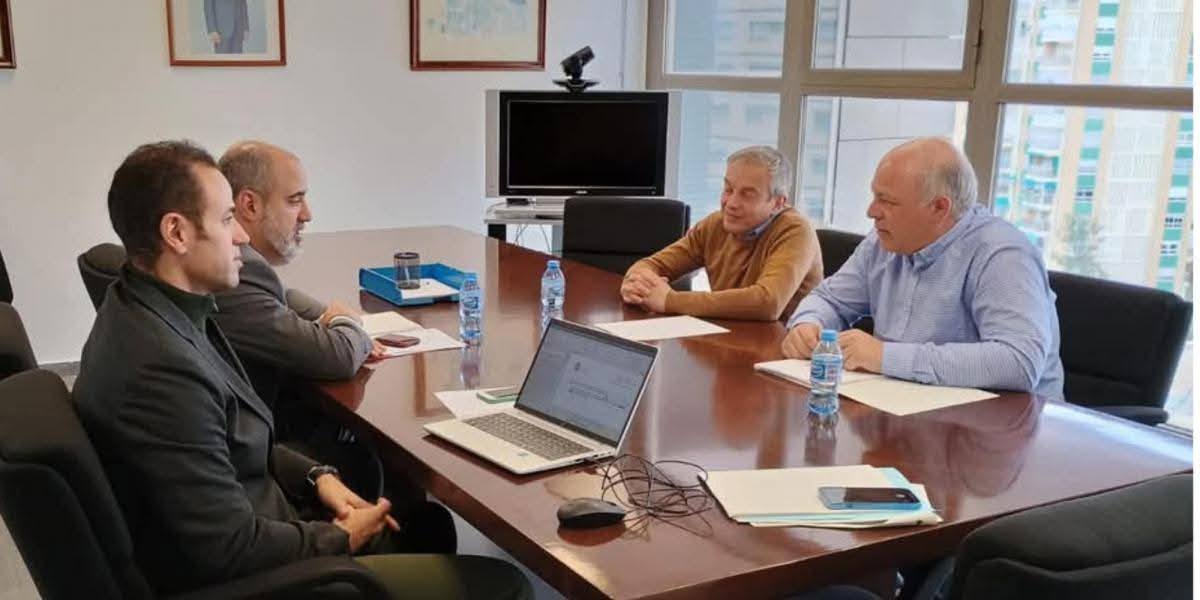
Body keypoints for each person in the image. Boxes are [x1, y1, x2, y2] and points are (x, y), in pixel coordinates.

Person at [72, 140, 530, 598]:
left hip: (265, 518)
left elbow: (232, 441)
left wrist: (317, 477)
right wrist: (342, 537)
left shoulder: (156, 309)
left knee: (425, 524)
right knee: (504, 584)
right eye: (227, 219)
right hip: (261, 577)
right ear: (177, 232)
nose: (242, 236)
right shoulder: (163, 370)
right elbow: (227, 549)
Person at [211, 140, 445, 544]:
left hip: (260, 458)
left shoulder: (249, 270)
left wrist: (330, 315)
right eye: (295, 200)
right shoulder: (238, 271)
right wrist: (344, 321)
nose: (308, 214)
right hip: (267, 492)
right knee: (420, 510)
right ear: (249, 205)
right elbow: (336, 355)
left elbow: (285, 298)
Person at [781, 137, 1063, 398]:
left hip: (1005, 424)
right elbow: (829, 299)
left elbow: (1019, 362)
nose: (871, 211)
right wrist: (808, 324)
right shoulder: (883, 241)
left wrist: (885, 357)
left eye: (887, 201)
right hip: (905, 405)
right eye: (875, 196)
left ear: (939, 208)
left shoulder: (1002, 254)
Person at [620, 145, 823, 321]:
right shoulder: (716, 224)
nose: (731, 203)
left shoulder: (796, 231)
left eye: (747, 195)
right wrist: (636, 283)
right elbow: (654, 265)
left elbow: (768, 302)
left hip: (781, 346)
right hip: (727, 338)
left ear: (778, 203)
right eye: (728, 189)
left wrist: (670, 301)